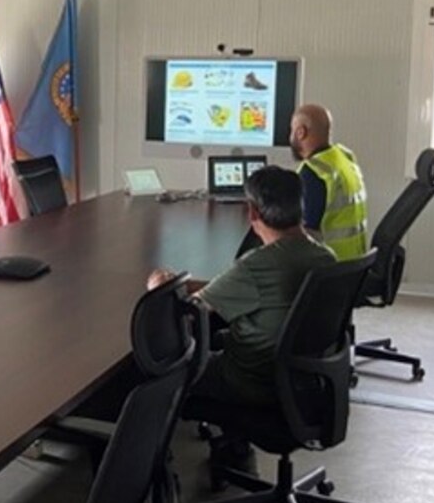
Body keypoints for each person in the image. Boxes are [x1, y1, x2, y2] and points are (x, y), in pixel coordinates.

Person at [149, 166, 335, 470]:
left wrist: (161, 286)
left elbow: (190, 310)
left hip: (251, 382)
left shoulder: (257, 266)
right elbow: (231, 290)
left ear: (252, 212)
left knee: (165, 367)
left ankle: (152, 472)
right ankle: (235, 449)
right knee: (221, 334)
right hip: (305, 383)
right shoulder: (325, 257)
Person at [288, 103, 369, 261]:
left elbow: (303, 236)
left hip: (329, 269)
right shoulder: (345, 158)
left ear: (300, 132)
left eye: (291, 130)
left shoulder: (313, 173)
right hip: (355, 265)